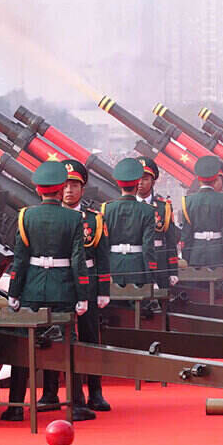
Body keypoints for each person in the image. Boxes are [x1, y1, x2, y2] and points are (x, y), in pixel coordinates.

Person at [3, 161, 91, 422]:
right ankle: (76, 404)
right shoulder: (74, 218)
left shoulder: (25, 216)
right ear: (61, 188)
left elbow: (19, 259)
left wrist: (14, 292)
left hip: (32, 288)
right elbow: (78, 260)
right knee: (68, 348)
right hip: (63, 291)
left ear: (38, 189)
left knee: (23, 348)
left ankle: (16, 406)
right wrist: (82, 295)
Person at [59, 159, 110, 416]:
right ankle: (54, 392)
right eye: (65, 185)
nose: (69, 190)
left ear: (83, 188)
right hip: (61, 280)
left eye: (75, 185)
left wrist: (103, 291)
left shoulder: (94, 219)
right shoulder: (53, 217)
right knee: (58, 337)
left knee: (91, 337)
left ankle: (96, 392)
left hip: (88, 281)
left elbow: (102, 259)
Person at [100, 157, 159, 287]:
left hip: (113, 265)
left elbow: (103, 245)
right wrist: (151, 277)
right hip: (137, 266)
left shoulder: (106, 208)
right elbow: (148, 247)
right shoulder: (148, 210)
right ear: (137, 182)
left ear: (118, 183)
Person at [181, 155, 223, 270]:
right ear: (216, 179)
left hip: (196, 255)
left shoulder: (187, 202)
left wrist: (185, 259)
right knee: (221, 287)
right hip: (219, 256)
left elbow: (186, 236)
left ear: (199, 179)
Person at [135, 157, 180, 289]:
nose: (140, 183)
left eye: (145, 179)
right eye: (137, 178)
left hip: (159, 260)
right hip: (135, 261)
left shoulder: (163, 207)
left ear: (153, 182)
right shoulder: (125, 206)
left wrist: (173, 271)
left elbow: (170, 240)